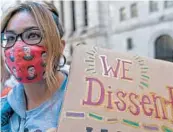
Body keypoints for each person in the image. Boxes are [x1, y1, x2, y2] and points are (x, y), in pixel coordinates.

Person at [1, 1, 68, 131]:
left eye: (33, 35)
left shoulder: (89, 100)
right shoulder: (3, 109)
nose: (18, 46)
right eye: (10, 38)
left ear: (60, 47)